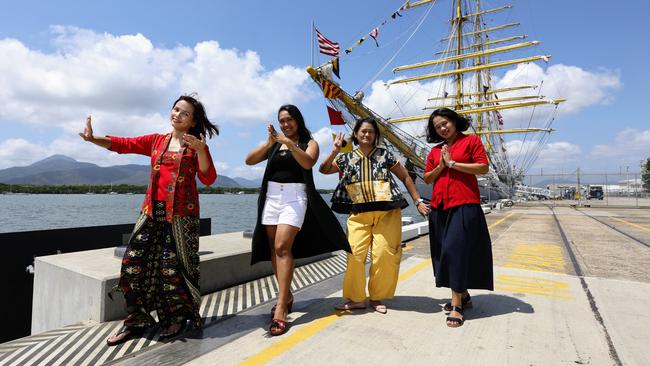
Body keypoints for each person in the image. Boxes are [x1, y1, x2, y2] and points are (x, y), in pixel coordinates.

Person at [79, 95, 219, 345]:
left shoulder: (196, 146)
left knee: (172, 271)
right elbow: (124, 144)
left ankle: (176, 318)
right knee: (133, 263)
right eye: (175, 109)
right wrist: (92, 139)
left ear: (193, 121)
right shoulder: (156, 141)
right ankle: (137, 320)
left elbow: (208, 178)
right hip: (151, 213)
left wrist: (200, 151)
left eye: (184, 113)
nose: (177, 114)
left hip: (181, 218)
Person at [245, 104, 350, 336]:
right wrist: (269, 143)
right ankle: (287, 295)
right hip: (272, 197)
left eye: (289, 120)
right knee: (275, 249)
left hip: (294, 197)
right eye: (281, 120)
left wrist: (290, 144)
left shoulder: (308, 142)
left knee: (283, 246)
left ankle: (281, 307)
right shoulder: (274, 143)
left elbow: (307, 162)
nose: (285, 124)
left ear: (298, 121)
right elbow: (249, 161)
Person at [320, 117, 430, 314]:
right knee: (354, 256)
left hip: (387, 213)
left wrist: (418, 201)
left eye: (371, 131)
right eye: (363, 131)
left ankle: (376, 297)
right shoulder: (346, 158)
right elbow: (324, 169)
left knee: (384, 256)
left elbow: (405, 176)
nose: (367, 134)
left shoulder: (384, 155)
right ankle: (356, 299)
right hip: (358, 214)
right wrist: (335, 150)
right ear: (355, 134)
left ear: (375, 135)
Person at [423, 108, 494, 328]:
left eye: (445, 123)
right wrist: (442, 165)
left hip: (464, 204)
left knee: (455, 250)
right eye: (437, 127)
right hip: (439, 208)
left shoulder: (471, 141)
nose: (442, 128)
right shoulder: (435, 151)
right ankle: (462, 294)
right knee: (445, 252)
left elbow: (483, 167)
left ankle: (456, 306)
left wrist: (453, 164)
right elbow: (427, 178)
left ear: (454, 121)